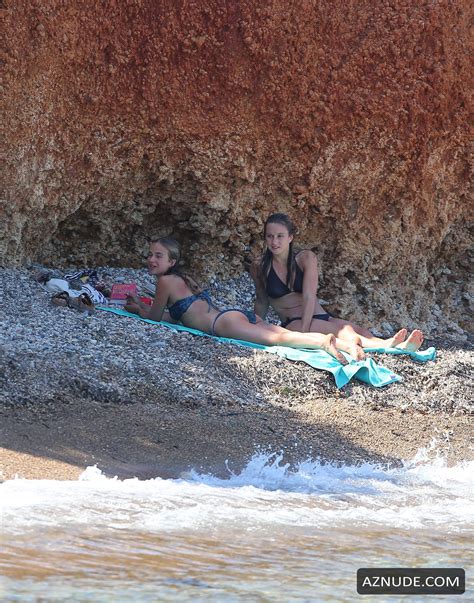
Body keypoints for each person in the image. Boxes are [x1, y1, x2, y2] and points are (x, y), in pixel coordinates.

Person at [124, 236, 368, 365]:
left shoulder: (165, 282)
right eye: (150, 255)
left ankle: (329, 343)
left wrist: (139, 309)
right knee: (278, 335)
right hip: (233, 315)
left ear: (171, 262)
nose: (151, 260)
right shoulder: (183, 280)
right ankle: (347, 345)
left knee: (280, 339)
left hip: (224, 324)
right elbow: (177, 316)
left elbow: (155, 318)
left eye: (158, 256)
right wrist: (141, 306)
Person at [248, 213, 424, 352]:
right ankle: (389, 345)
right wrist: (256, 326)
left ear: (290, 237)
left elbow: (309, 296)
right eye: (270, 236)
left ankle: (395, 345)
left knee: (361, 332)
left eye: (280, 236)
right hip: (293, 321)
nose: (274, 241)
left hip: (315, 315)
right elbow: (262, 300)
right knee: (346, 333)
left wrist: (307, 326)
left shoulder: (305, 258)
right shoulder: (260, 266)